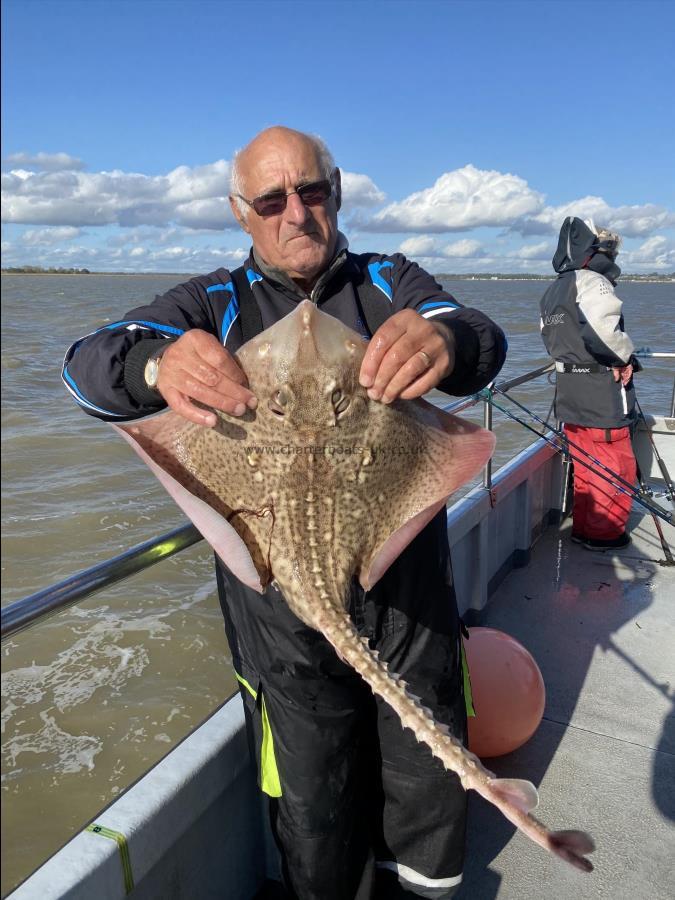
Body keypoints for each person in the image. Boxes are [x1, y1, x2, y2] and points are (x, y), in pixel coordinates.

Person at [62, 126, 507, 900]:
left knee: (425, 794)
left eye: (312, 192)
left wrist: (445, 339)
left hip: (411, 606)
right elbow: (85, 365)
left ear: (336, 195)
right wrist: (156, 362)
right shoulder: (208, 303)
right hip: (279, 620)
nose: (295, 213)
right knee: (315, 808)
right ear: (242, 214)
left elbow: (478, 334)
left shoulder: (386, 280)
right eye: (271, 199)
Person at [540, 216, 639, 550]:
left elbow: (550, 338)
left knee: (585, 465)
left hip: (569, 394)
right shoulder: (593, 282)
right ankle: (604, 535)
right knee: (614, 465)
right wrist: (624, 359)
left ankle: (583, 529)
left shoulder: (553, 290)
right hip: (599, 394)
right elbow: (604, 334)